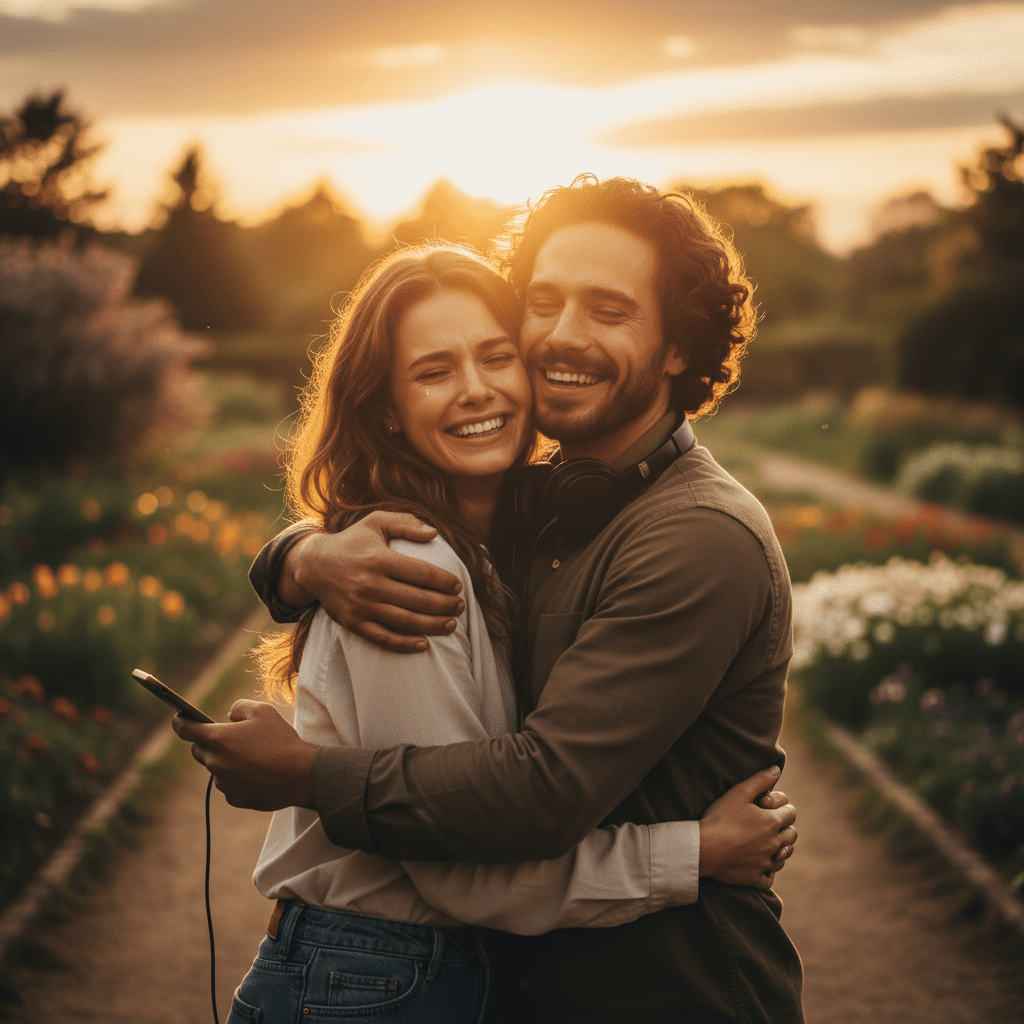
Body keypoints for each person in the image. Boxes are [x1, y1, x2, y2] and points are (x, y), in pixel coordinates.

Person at [177, 176, 804, 1022]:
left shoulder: (694, 536)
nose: (561, 336)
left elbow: (541, 792)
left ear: (677, 347)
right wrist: (303, 557)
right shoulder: (537, 506)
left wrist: (308, 773)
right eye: (542, 304)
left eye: (608, 311)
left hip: (666, 987)